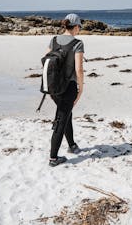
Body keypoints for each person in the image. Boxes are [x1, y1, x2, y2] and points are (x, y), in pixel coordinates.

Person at [48, 13, 84, 167]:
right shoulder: (78, 43)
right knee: (61, 119)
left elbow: (46, 61)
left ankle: (72, 145)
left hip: (53, 86)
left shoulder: (53, 40)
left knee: (66, 113)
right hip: (68, 87)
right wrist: (81, 88)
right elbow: (79, 69)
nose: (79, 30)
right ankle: (53, 158)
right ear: (75, 26)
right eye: (79, 27)